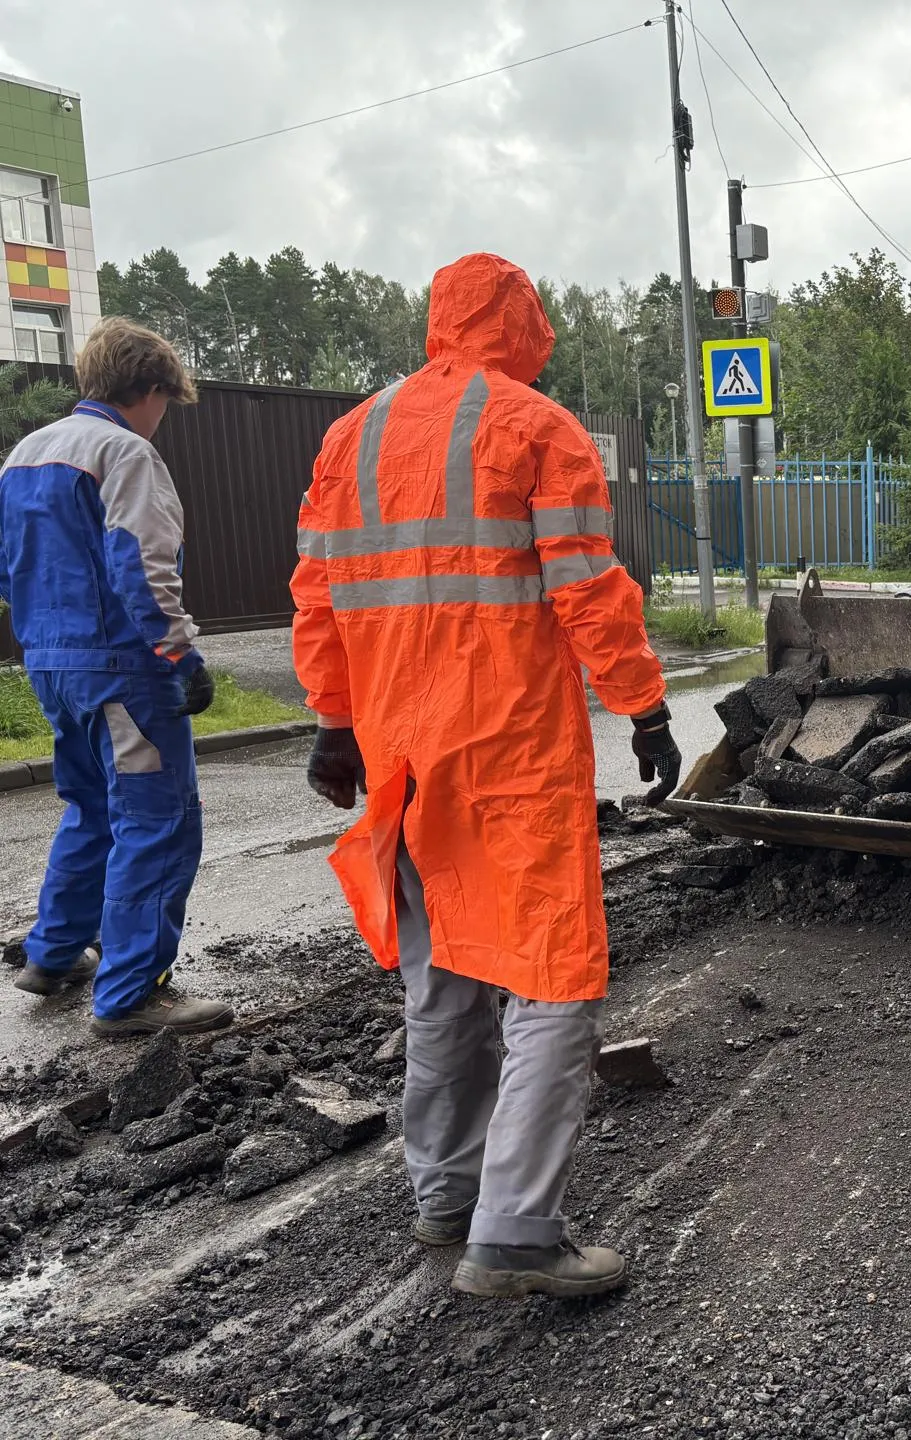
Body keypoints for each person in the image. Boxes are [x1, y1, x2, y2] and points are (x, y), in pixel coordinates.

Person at [292, 252, 679, 1298]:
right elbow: (587, 588)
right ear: (524, 325)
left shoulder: (352, 436)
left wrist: (333, 722)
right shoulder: (537, 428)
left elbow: (317, 596)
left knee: (443, 982)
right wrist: (643, 706)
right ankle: (514, 1235)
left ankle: (447, 1198)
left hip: (401, 764)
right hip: (511, 758)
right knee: (552, 977)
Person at [0, 318, 232, 1037]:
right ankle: (131, 993)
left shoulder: (24, 455)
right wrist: (180, 655)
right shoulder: (125, 453)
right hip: (122, 670)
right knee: (158, 822)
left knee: (91, 809)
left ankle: (54, 954)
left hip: (52, 665)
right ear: (152, 388)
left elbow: (10, 566)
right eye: (168, 401)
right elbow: (142, 564)